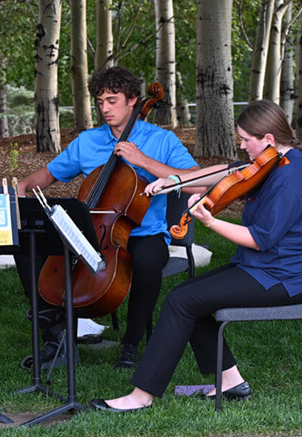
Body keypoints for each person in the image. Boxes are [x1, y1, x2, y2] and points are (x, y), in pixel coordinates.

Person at [90, 99, 302, 412]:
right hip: (265, 268)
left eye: (245, 140)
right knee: (186, 296)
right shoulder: (275, 161)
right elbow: (230, 171)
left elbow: (258, 240)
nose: (241, 146)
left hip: (282, 279)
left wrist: (211, 222)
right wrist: (176, 181)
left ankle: (141, 396)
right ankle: (230, 382)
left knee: (182, 301)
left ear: (268, 139)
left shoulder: (290, 180)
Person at [15, 66, 200, 370]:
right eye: (100, 102)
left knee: (148, 262)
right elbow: (49, 174)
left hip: (144, 232)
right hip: (93, 230)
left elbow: (195, 180)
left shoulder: (161, 140)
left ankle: (131, 343)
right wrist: (22, 187)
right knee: (28, 246)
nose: (105, 109)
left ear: (133, 101)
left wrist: (142, 161)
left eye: (112, 100)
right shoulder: (88, 141)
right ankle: (56, 337)